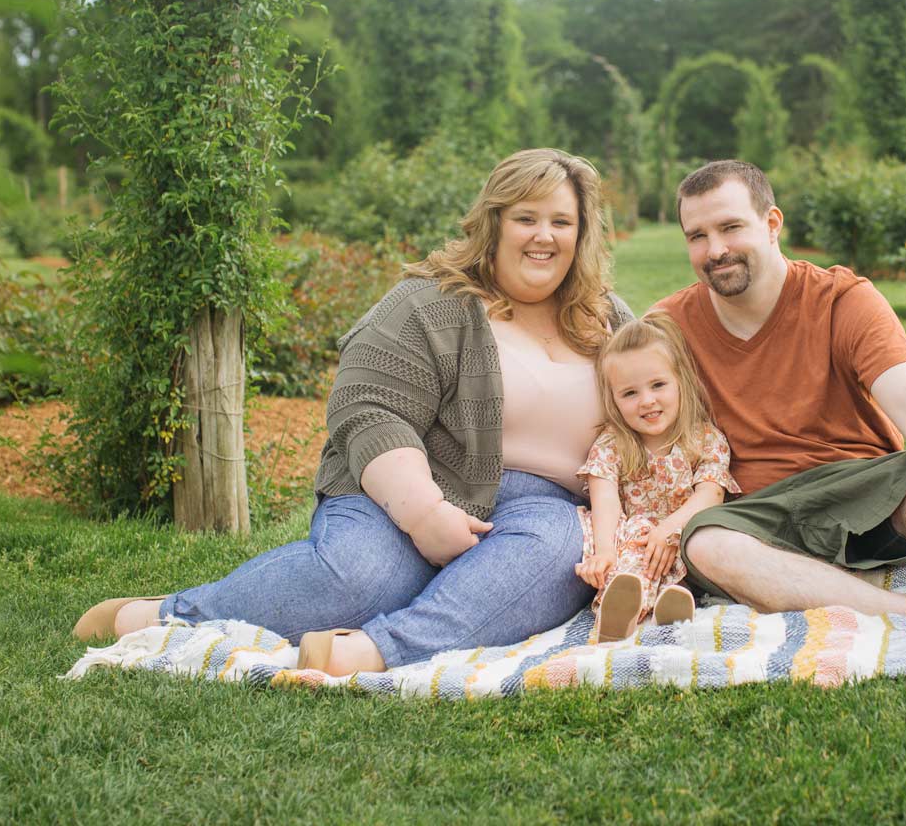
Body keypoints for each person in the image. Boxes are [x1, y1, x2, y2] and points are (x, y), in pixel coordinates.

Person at [73, 148, 632, 675]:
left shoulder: (607, 319)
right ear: (493, 224)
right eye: (525, 218)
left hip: (548, 508)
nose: (543, 236)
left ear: (581, 234)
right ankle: (166, 614)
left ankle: (368, 652)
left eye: (561, 221)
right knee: (360, 582)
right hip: (408, 488)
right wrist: (424, 512)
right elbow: (369, 410)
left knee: (555, 554)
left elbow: (664, 406)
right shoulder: (430, 302)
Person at [657, 160, 906, 640]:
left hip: (864, 495)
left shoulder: (842, 300)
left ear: (772, 225)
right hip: (757, 514)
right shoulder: (668, 326)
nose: (715, 250)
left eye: (730, 227)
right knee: (705, 543)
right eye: (697, 236)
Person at [574, 311, 740, 642]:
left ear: (681, 380)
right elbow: (604, 501)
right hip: (636, 536)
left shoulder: (704, 438)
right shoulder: (613, 444)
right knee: (632, 554)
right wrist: (605, 551)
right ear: (614, 399)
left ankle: (672, 603)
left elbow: (710, 494)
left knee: (697, 545)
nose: (647, 401)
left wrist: (670, 529)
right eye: (630, 393)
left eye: (658, 385)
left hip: (683, 529)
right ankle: (620, 610)